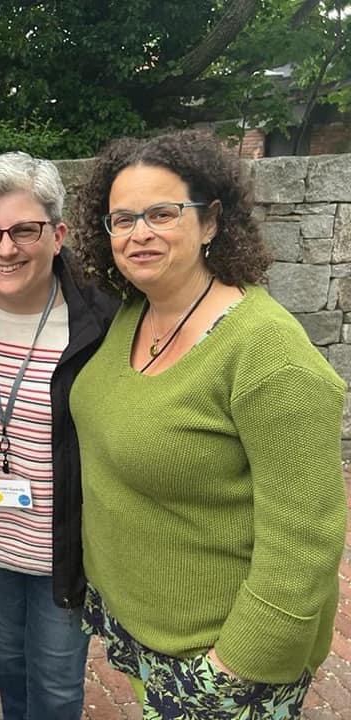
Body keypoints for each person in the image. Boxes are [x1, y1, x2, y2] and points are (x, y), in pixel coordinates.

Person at [69, 130, 347, 718]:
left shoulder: (268, 355)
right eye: (122, 219)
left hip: (219, 659)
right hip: (143, 629)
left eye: (162, 213)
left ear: (212, 222)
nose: (139, 233)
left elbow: (307, 543)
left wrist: (234, 666)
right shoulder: (136, 310)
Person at [0, 152, 116, 719]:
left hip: (64, 547)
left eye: (24, 230)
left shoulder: (101, 315)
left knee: (57, 685)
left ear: (57, 234)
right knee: (9, 662)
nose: (5, 249)